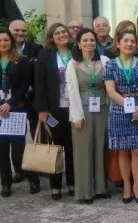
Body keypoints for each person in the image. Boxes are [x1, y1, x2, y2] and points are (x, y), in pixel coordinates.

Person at [105, 30, 138, 204]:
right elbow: (111, 91)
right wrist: (132, 107)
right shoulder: (111, 65)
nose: (129, 44)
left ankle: (137, 185)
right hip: (119, 109)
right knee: (123, 150)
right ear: (118, 43)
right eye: (125, 41)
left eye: (132, 41)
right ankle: (126, 185)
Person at [0, 29, 33, 197]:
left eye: (6, 40)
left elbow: (24, 85)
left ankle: (28, 176)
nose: (3, 43)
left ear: (11, 42)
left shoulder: (22, 61)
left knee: (19, 149)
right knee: (1, 149)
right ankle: (6, 182)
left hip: (16, 108)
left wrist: (10, 103)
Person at [66, 28, 111, 204]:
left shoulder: (105, 61)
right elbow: (72, 91)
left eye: (92, 40)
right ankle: (85, 191)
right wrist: (76, 115)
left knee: (100, 148)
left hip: (102, 109)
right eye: (85, 40)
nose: (89, 43)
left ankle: (101, 188)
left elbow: (110, 87)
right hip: (82, 110)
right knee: (83, 150)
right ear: (78, 44)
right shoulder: (72, 64)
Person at [35, 23, 76, 200]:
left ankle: (73, 183)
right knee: (55, 149)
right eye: (57, 33)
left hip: (74, 108)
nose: (61, 35)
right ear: (52, 37)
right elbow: (39, 83)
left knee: (72, 148)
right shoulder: (45, 55)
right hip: (54, 109)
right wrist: (42, 109)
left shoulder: (76, 51)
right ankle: (56, 186)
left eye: (64, 32)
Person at [8, 18, 42, 193]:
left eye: (23, 30)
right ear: (10, 31)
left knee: (37, 135)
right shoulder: (3, 49)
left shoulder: (36, 49)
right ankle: (20, 169)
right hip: (15, 101)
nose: (20, 33)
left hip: (33, 99)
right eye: (17, 30)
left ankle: (38, 167)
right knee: (17, 137)